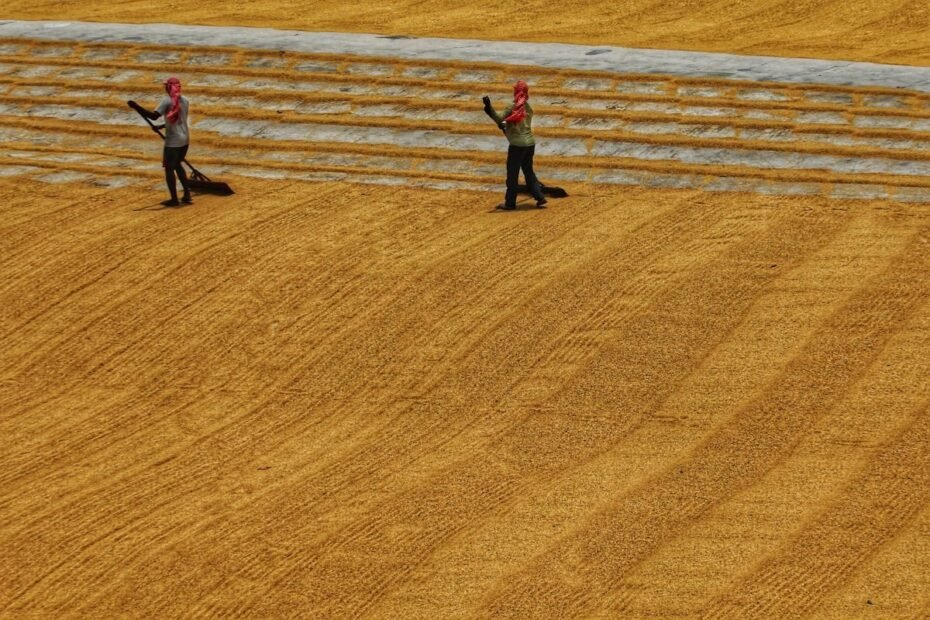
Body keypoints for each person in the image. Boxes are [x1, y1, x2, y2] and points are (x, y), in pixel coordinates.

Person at [483, 80, 547, 210]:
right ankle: (540, 197)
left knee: (512, 174)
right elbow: (515, 123)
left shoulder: (512, 107)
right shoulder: (529, 109)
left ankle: (510, 203)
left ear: (515, 92)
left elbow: (499, 119)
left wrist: (489, 108)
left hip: (517, 146)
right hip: (530, 144)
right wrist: (506, 124)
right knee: (528, 171)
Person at [129, 77, 192, 206]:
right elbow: (177, 119)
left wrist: (136, 106)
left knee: (169, 168)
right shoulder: (185, 101)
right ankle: (187, 193)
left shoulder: (167, 101)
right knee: (178, 164)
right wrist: (162, 126)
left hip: (173, 140)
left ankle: (174, 199)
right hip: (185, 139)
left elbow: (153, 116)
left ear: (168, 88)